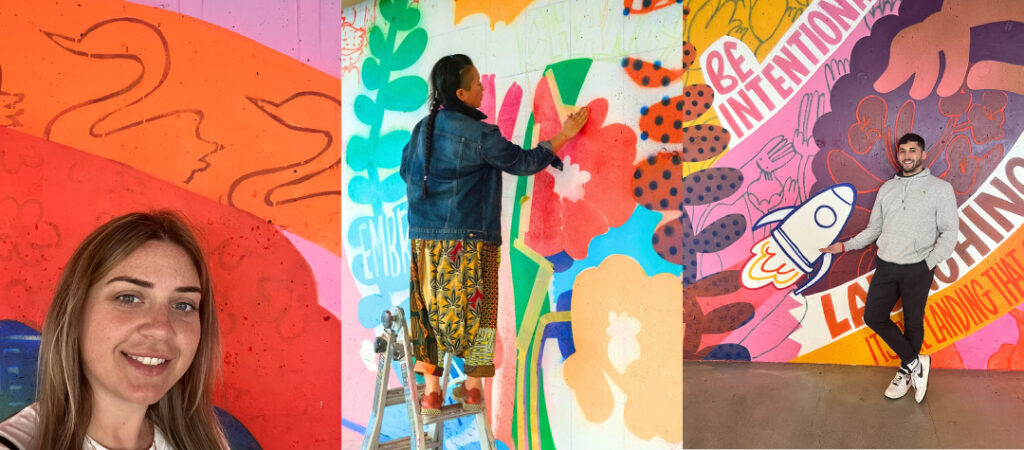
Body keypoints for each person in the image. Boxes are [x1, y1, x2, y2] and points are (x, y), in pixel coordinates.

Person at [400, 54, 589, 415]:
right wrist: (564, 134)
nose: (482, 88)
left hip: (423, 239)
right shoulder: (480, 134)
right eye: (476, 83)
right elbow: (522, 162)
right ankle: (472, 389)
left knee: (426, 312)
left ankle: (431, 393)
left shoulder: (421, 129)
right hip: (473, 241)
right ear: (461, 92)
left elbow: (405, 171)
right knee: (480, 311)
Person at [0, 211, 228, 449]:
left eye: (183, 305)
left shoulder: (208, 441)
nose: (161, 329)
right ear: (75, 312)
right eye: (128, 298)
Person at [820, 133, 958, 403]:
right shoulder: (888, 188)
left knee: (913, 321)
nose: (907, 155)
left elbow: (950, 233)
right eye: (903, 151)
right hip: (887, 265)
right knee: (873, 316)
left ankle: (906, 372)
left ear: (923, 155)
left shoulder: (941, 189)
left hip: (918, 267)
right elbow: (875, 228)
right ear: (898, 155)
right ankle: (916, 362)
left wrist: (927, 264)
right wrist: (846, 246)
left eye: (913, 150)